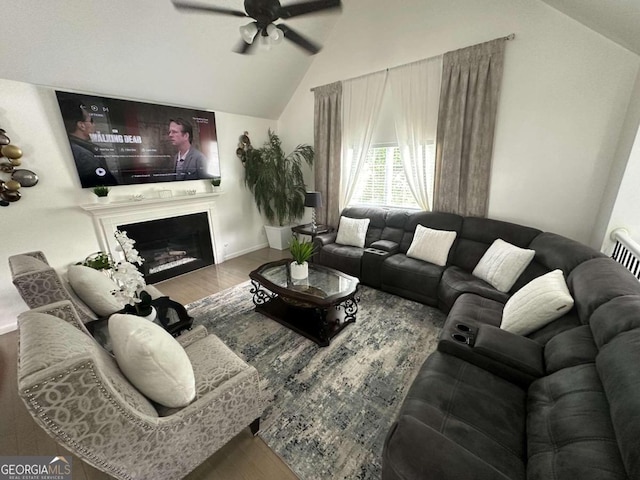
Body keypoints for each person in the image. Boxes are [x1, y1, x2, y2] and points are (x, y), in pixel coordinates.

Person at [59, 99, 118, 188]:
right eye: (91, 121)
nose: (94, 125)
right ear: (81, 125)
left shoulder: (71, 148)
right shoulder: (84, 156)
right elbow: (104, 187)